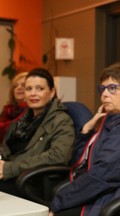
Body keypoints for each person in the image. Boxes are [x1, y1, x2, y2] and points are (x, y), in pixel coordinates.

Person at [49, 62, 120, 216]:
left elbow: (104, 175)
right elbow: (80, 163)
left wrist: (59, 202)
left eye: (112, 88)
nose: (104, 95)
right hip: (104, 194)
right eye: (102, 89)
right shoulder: (114, 120)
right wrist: (87, 130)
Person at [0, 68, 75, 196]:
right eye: (28, 89)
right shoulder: (21, 120)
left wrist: (9, 168)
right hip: (11, 176)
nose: (33, 94)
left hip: (31, 182)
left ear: (51, 92)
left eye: (39, 89)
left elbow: (58, 156)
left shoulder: (61, 120)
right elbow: (6, 149)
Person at [0, 72, 28, 143]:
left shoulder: (33, 111)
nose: (19, 88)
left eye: (23, 85)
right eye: (15, 86)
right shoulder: (7, 111)